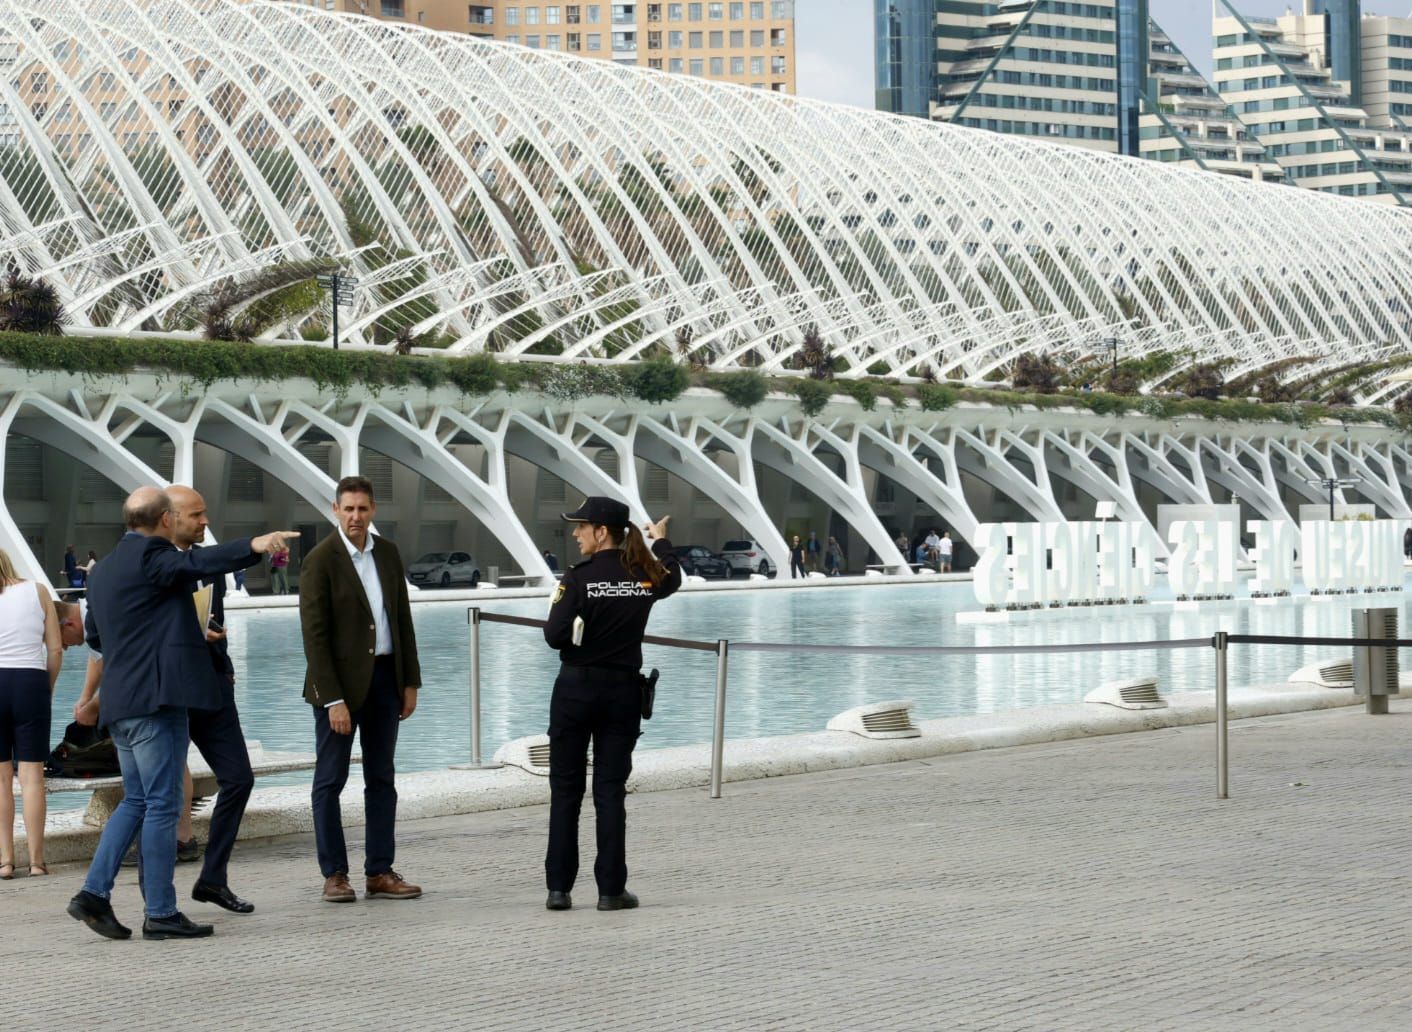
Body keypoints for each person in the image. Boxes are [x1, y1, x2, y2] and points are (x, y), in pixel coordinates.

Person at [66, 487, 293, 942]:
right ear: (166, 519)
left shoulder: (103, 570)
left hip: (121, 704)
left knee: (137, 801)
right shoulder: (156, 556)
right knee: (163, 804)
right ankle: (161, 911)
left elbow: (97, 636)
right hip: (156, 703)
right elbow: (198, 562)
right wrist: (254, 545)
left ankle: (94, 893)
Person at [542, 497, 681, 912]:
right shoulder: (644, 576)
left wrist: (580, 634)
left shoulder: (577, 577)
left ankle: (559, 889)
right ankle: (610, 890)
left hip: (574, 691)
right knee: (610, 792)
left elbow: (553, 635)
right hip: (621, 694)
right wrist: (660, 540)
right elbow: (673, 577)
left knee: (566, 791)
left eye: (581, 526)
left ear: (601, 532)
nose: (575, 533)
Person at [300, 475, 422, 904]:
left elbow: (402, 619)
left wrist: (410, 681)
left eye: (363, 508)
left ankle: (380, 871)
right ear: (335, 510)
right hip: (339, 689)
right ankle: (334, 874)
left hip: (386, 681)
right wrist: (333, 699)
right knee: (330, 780)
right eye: (348, 508)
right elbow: (314, 637)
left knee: (382, 777)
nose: (356, 516)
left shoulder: (387, 553)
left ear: (373, 510)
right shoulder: (320, 559)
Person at [167, 485, 260, 914]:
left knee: (239, 779)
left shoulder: (210, 564)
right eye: (196, 514)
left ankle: (212, 879)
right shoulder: (152, 563)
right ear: (170, 518)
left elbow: (214, 617)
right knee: (159, 791)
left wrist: (226, 665)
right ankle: (153, 901)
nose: (205, 521)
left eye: (205, 513)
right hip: (171, 691)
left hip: (214, 685)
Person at [0, 547, 62, 880]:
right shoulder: (37, 591)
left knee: (0, 779)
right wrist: (45, 688)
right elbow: (55, 649)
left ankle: (6, 861)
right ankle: (37, 862)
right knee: (32, 776)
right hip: (31, 681)